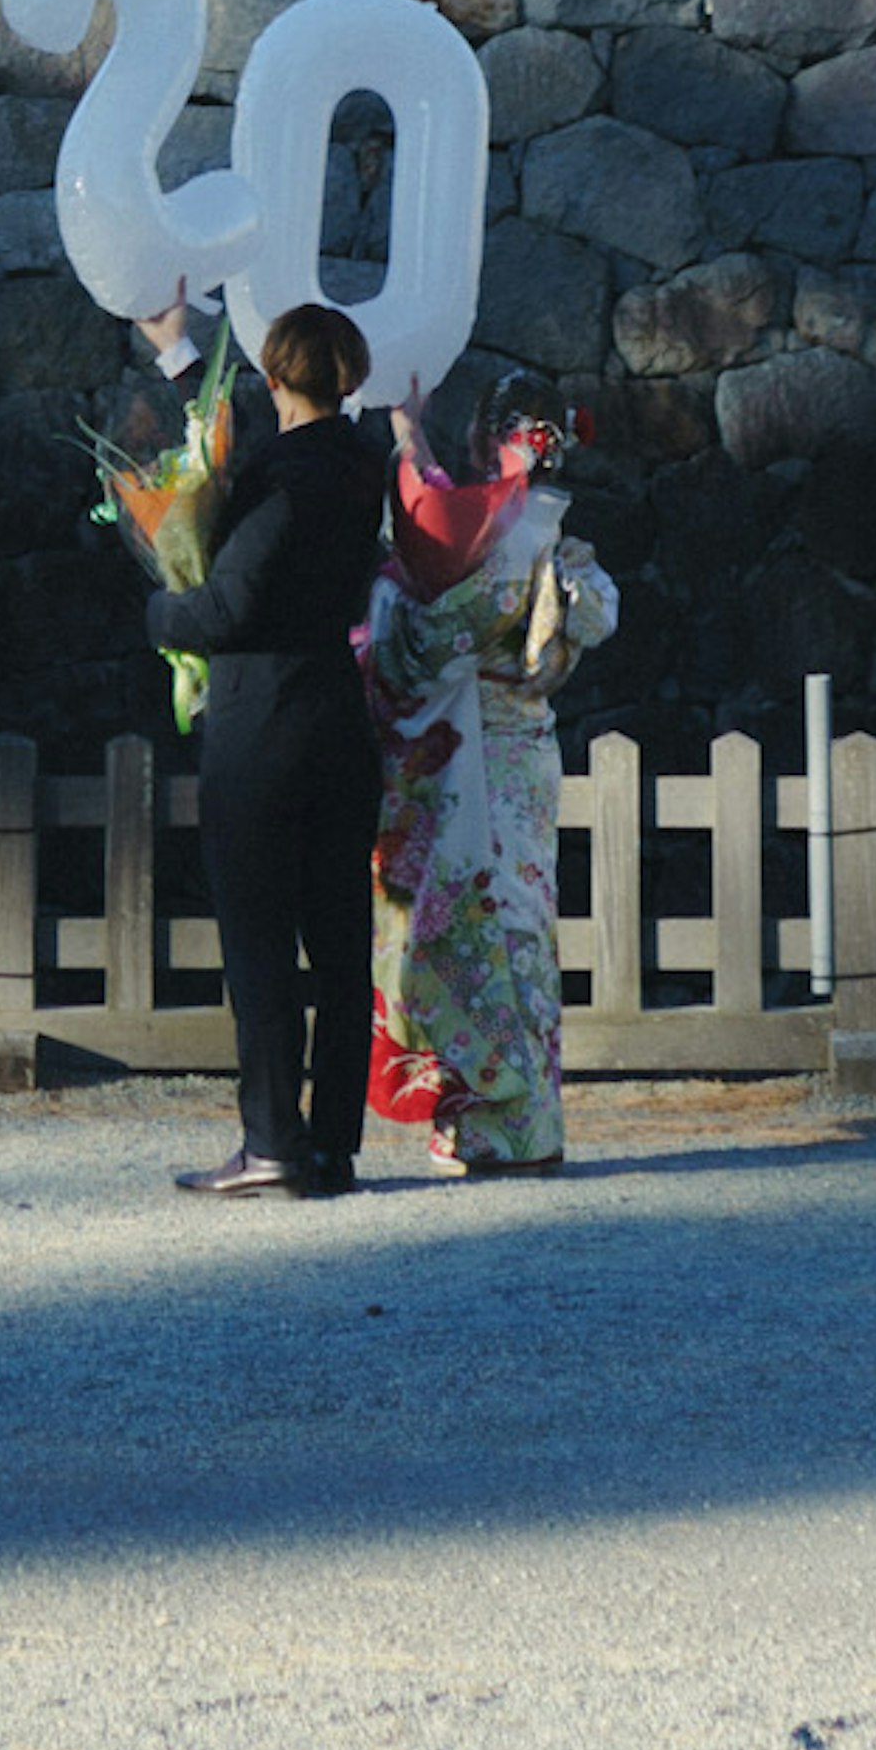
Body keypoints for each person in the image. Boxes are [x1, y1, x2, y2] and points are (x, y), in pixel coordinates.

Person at [138, 296, 392, 1201]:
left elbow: (226, 607)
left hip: (262, 728)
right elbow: (229, 423)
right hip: (338, 716)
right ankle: (332, 1147)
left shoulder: (278, 475)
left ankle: (271, 1140)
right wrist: (180, 353)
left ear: (279, 376)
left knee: (259, 943)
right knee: (339, 944)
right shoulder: (368, 465)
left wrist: (159, 611)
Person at [363, 389, 617, 1178]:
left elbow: (436, 631)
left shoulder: (511, 537)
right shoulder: (540, 527)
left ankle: (505, 1125)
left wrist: (387, 611)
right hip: (522, 749)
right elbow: (441, 512)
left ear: (495, 436)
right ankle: (516, 1118)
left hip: (480, 754)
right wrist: (410, 433)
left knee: (492, 924)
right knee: (519, 924)